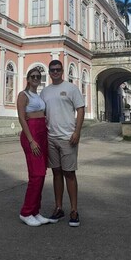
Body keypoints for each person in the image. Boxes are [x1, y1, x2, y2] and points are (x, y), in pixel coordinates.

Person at [40, 60, 85, 227]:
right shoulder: (45, 92)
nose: (55, 72)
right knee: (56, 173)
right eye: (52, 70)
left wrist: (77, 132)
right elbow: (41, 112)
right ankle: (58, 207)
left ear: (62, 71)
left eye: (58, 69)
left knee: (70, 174)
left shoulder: (71, 88)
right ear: (49, 72)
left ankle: (74, 210)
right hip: (51, 137)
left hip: (68, 138)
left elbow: (80, 108)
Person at [17, 68, 50, 227]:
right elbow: (22, 118)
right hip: (32, 134)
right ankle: (26, 212)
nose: (36, 78)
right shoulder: (23, 95)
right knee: (36, 175)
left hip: (42, 134)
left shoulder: (38, 95)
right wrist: (31, 140)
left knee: (42, 174)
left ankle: (35, 211)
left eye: (38, 76)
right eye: (33, 76)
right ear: (28, 79)